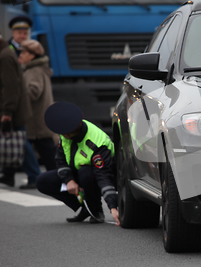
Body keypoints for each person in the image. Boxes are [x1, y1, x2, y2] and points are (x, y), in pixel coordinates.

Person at [36, 102, 120, 225]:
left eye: (65, 134)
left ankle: (95, 210)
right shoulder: (66, 133)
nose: (62, 135)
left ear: (74, 129)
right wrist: (69, 180)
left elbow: (104, 176)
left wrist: (113, 207)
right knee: (42, 181)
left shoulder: (97, 142)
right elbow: (61, 161)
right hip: (78, 173)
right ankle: (85, 207)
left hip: (103, 174)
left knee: (85, 172)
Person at [18, 39, 57, 180]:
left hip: (37, 120)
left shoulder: (34, 71)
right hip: (38, 120)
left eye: (24, 52)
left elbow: (34, 91)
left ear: (32, 55)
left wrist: (19, 96)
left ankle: (58, 179)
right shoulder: (35, 69)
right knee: (42, 150)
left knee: (45, 151)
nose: (21, 55)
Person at [0, 31, 32, 187]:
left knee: (18, 142)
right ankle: (8, 174)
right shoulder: (6, 52)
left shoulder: (5, 56)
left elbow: (10, 86)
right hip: (13, 105)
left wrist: (7, 112)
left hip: (13, 107)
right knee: (11, 140)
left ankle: (34, 175)